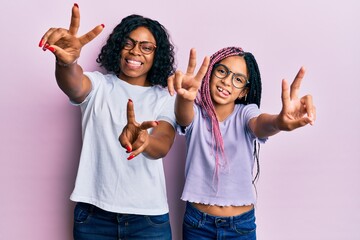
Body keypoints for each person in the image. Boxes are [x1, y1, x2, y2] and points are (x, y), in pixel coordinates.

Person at [39, 3, 177, 240]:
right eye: (128, 43)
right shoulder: (99, 85)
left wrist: (145, 141)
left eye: (146, 47)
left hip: (148, 220)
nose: (135, 51)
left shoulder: (165, 98)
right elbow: (74, 84)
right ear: (118, 47)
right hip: (93, 217)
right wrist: (66, 63)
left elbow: (162, 143)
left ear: (157, 55)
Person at [167, 47, 316, 239]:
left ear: (244, 91)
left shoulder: (246, 113)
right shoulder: (196, 112)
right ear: (210, 74)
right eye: (222, 71)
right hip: (198, 224)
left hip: (239, 226)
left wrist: (280, 121)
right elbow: (184, 116)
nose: (227, 81)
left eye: (237, 79)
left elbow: (261, 124)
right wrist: (184, 96)